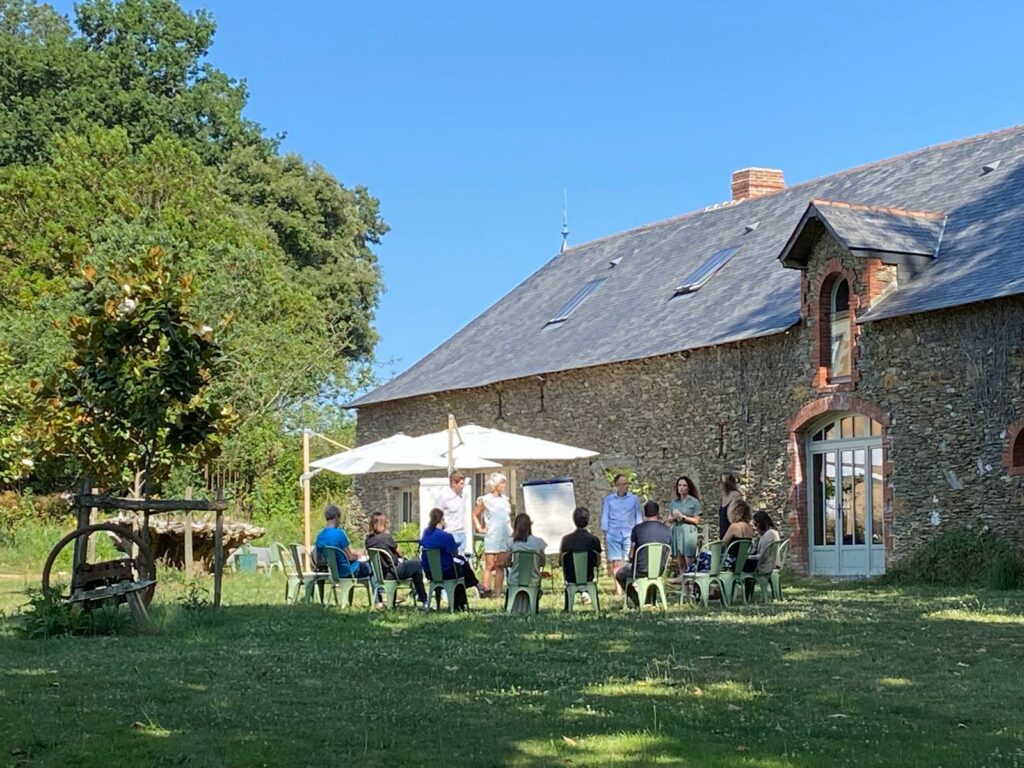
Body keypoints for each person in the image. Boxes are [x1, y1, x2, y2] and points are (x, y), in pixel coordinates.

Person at [365, 512, 429, 609]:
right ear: (383, 523)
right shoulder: (386, 538)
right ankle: (423, 598)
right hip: (393, 572)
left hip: (380, 574)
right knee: (417, 564)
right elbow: (400, 553)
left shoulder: (368, 540)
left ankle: (384, 602)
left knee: (412, 566)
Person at [420, 507, 480, 610]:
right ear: (442, 520)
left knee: (461, 565)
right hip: (445, 572)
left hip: (429, 572)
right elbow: (455, 554)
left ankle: (474, 585)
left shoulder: (426, 532)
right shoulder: (446, 536)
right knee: (462, 567)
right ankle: (465, 596)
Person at [615, 500, 671, 607]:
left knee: (620, 574)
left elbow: (631, 554)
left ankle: (639, 601)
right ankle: (651, 601)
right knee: (652, 573)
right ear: (658, 513)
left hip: (640, 569)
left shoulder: (637, 529)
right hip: (659, 569)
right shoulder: (667, 530)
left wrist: (631, 559)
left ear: (644, 514)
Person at [601, 473, 643, 596]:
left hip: (629, 533)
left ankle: (631, 587)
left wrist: (638, 532)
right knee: (616, 562)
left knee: (629, 561)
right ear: (617, 485)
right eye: (624, 484)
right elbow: (605, 515)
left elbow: (638, 516)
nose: (627, 486)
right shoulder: (609, 500)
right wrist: (606, 530)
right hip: (613, 533)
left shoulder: (633, 499)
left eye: (627, 483)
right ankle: (618, 589)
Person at [472, 472, 513, 598]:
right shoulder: (486, 500)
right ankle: (485, 590)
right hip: (492, 534)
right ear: (495, 485)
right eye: (501, 483)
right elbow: (475, 514)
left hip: (504, 534)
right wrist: (479, 527)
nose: (504, 485)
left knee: (501, 565)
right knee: (490, 565)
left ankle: (497, 593)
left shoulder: (505, 500)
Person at [315, 504, 373, 580]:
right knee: (372, 566)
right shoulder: (339, 533)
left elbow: (319, 558)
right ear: (336, 517)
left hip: (335, 573)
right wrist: (357, 557)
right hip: (350, 571)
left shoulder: (320, 536)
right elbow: (350, 558)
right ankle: (378, 591)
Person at [559, 506, 602, 607]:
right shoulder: (594, 540)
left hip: (571, 578)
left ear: (574, 520)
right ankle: (587, 593)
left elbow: (561, 561)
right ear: (588, 520)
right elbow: (597, 562)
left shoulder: (566, 540)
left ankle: (568, 606)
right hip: (588, 577)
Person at [509, 513, 546, 610]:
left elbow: (507, 562)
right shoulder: (539, 542)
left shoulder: (511, 542)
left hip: (515, 580)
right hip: (533, 580)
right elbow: (542, 562)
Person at [668, 476, 702, 580]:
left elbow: (696, 520)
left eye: (684, 485)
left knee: (689, 558)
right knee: (680, 559)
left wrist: (683, 517)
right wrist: (674, 517)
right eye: (679, 485)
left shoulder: (694, 502)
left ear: (689, 488)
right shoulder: (674, 502)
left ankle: (691, 583)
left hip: (689, 532)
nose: (681, 488)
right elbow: (669, 519)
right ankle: (683, 582)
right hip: (677, 531)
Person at [435, 471, 469, 555]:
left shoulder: (463, 496)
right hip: (449, 532)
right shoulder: (444, 497)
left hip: (461, 532)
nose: (463, 486)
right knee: (450, 560)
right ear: (454, 483)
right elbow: (437, 515)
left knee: (461, 560)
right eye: (461, 483)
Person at [720, 500, 755, 571]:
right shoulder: (750, 528)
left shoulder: (734, 526)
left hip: (732, 561)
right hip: (743, 561)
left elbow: (722, 544)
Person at [718, 473, 744, 540]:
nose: (719, 483)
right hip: (724, 532)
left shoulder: (736, 495)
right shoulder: (723, 497)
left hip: (734, 533)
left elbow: (738, 515)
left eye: (721, 481)